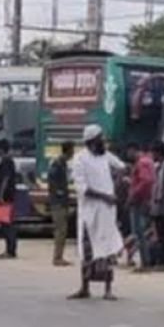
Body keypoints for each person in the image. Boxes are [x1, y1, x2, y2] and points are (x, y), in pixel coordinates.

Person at [68, 125, 125, 301]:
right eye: (101, 138)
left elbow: (122, 167)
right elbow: (82, 188)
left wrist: (117, 183)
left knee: (108, 251)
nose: (104, 141)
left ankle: (108, 289)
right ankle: (84, 287)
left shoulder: (105, 156)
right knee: (88, 251)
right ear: (92, 141)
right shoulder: (79, 160)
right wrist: (105, 196)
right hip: (89, 214)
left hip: (107, 213)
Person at [127, 142, 157, 270]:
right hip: (144, 200)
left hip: (139, 201)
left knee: (139, 232)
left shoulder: (142, 163)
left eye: (128, 152)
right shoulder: (148, 161)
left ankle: (145, 262)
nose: (128, 155)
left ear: (134, 150)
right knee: (142, 232)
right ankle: (144, 260)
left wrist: (133, 194)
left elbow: (146, 181)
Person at [48, 141, 75, 267]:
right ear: (68, 150)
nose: (73, 153)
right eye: (72, 150)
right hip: (58, 202)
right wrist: (58, 192)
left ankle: (59, 256)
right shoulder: (57, 163)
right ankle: (57, 258)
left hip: (62, 201)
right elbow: (52, 180)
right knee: (60, 230)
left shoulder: (63, 164)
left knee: (62, 230)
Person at [0, 138, 19, 258]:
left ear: (1, 149)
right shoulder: (7, 161)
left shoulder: (6, 162)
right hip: (6, 196)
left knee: (6, 224)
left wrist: (0, 196)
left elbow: (5, 180)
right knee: (5, 223)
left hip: (5, 198)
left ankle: (11, 250)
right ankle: (9, 249)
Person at [149, 142, 164, 270]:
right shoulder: (158, 166)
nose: (151, 155)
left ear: (159, 153)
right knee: (161, 234)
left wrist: (162, 195)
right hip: (158, 207)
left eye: (153, 152)